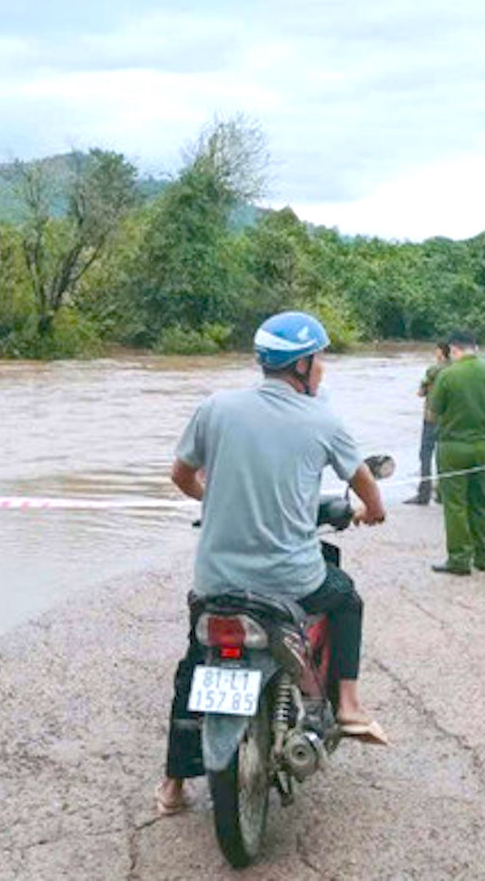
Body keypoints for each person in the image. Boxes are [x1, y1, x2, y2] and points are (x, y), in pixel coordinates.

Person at [155, 311, 389, 818]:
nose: (322, 368)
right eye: (320, 359)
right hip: (293, 581)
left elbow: (181, 476)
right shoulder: (322, 419)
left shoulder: (215, 408)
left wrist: (214, 500)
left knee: (195, 662)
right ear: (303, 364)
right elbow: (364, 480)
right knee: (346, 597)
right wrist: (374, 510)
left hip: (216, 580)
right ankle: (348, 705)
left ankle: (173, 785)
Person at [428, 330, 485, 575]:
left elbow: (433, 412)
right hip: (484, 446)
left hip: (453, 446)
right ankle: (483, 556)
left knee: (455, 504)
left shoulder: (447, 375)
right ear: (475, 347)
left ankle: (460, 559)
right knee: (482, 500)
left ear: (453, 349)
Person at [405, 341, 451, 505]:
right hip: (449, 419)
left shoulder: (434, 370)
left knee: (425, 454)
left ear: (440, 352)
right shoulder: (455, 370)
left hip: (431, 418)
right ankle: (442, 493)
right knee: (443, 456)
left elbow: (420, 392)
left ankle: (424, 493)